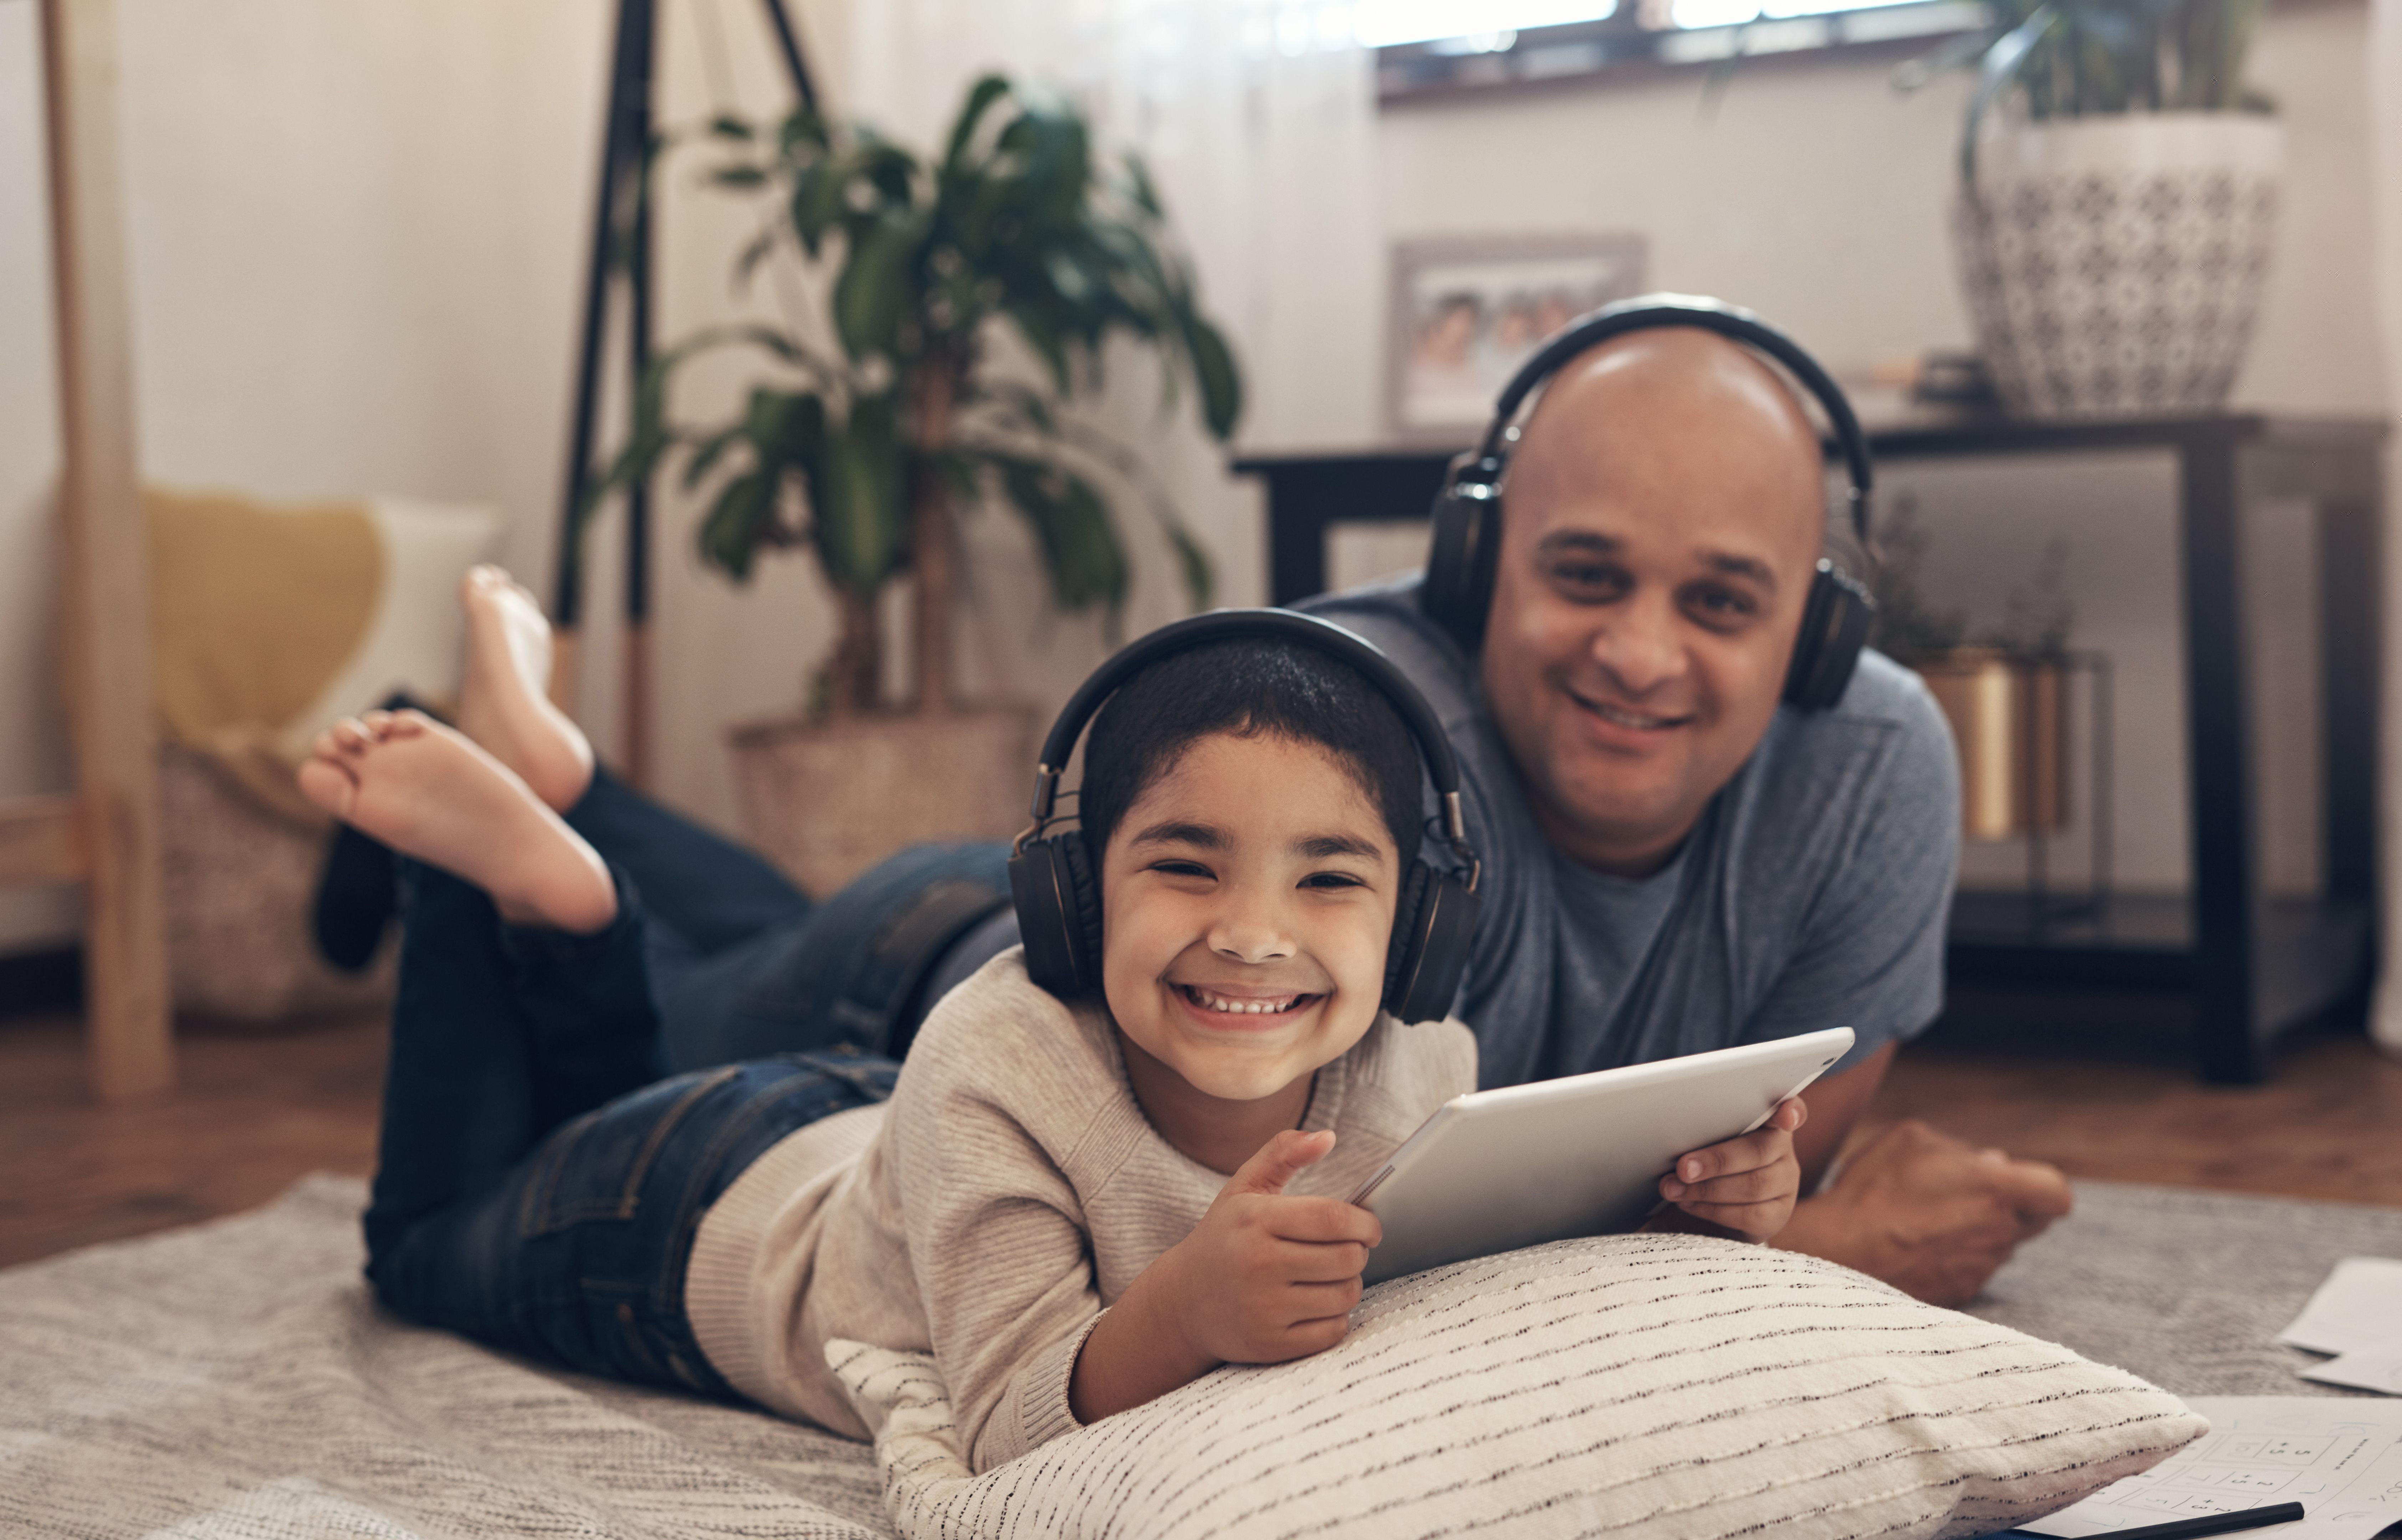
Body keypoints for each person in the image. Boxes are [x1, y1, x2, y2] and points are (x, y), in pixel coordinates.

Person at [302, 615, 1808, 1469]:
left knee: (584, 1085)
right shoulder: (996, 1054)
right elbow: (1014, 1426)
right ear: (1071, 897)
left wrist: (1696, 1210)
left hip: (844, 1136)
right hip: (676, 1228)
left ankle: (577, 881)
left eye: (1330, 879)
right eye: (1186, 864)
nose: (1256, 932)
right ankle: (509, 884)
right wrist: (1182, 1310)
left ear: (1424, 926)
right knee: (425, 1241)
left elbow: (1509, 1288)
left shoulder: (1425, 1064)